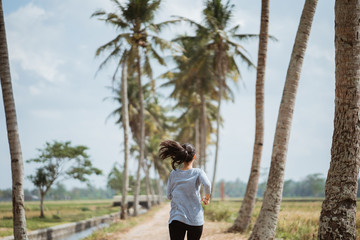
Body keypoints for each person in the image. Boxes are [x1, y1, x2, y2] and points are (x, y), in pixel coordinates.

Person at [159, 140, 211, 240]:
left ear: (181, 157)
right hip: (195, 219)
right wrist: (207, 198)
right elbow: (207, 185)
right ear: (194, 157)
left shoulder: (173, 173)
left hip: (176, 218)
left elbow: (169, 196)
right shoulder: (198, 172)